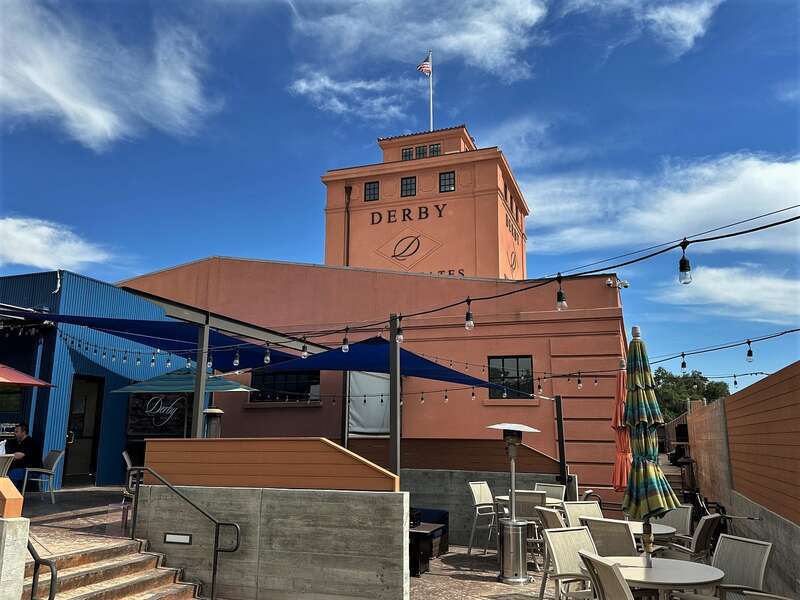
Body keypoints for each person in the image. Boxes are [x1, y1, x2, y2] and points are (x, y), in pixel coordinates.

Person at [6, 423, 42, 489]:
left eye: (16, 431)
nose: (14, 433)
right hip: (24, 468)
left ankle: (14, 496)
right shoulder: (20, 442)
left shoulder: (30, 442)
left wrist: (12, 455)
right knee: (5, 472)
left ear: (23, 432)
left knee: (8, 474)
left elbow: (17, 456)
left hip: (32, 470)